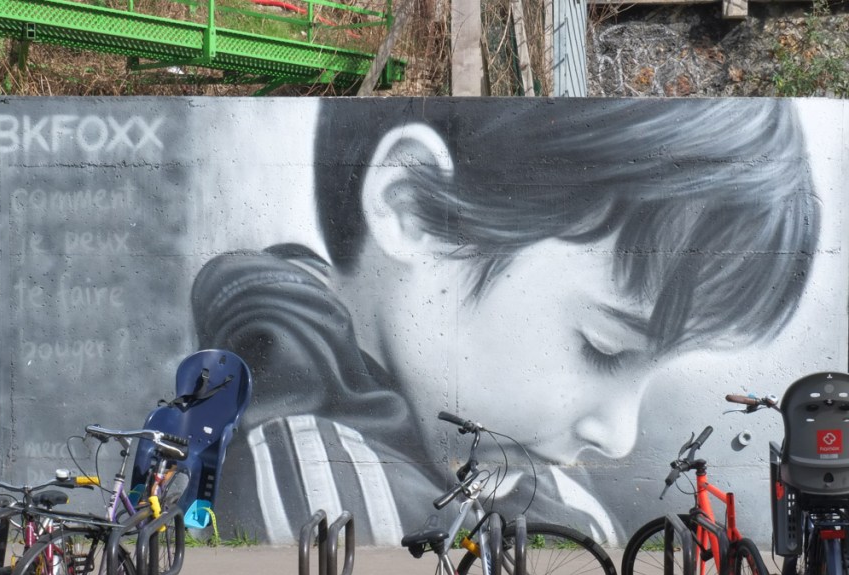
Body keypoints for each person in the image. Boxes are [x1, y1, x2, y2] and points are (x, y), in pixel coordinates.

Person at [190, 98, 820, 547]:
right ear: (414, 205)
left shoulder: (552, 505)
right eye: (602, 348)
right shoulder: (322, 487)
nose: (619, 437)